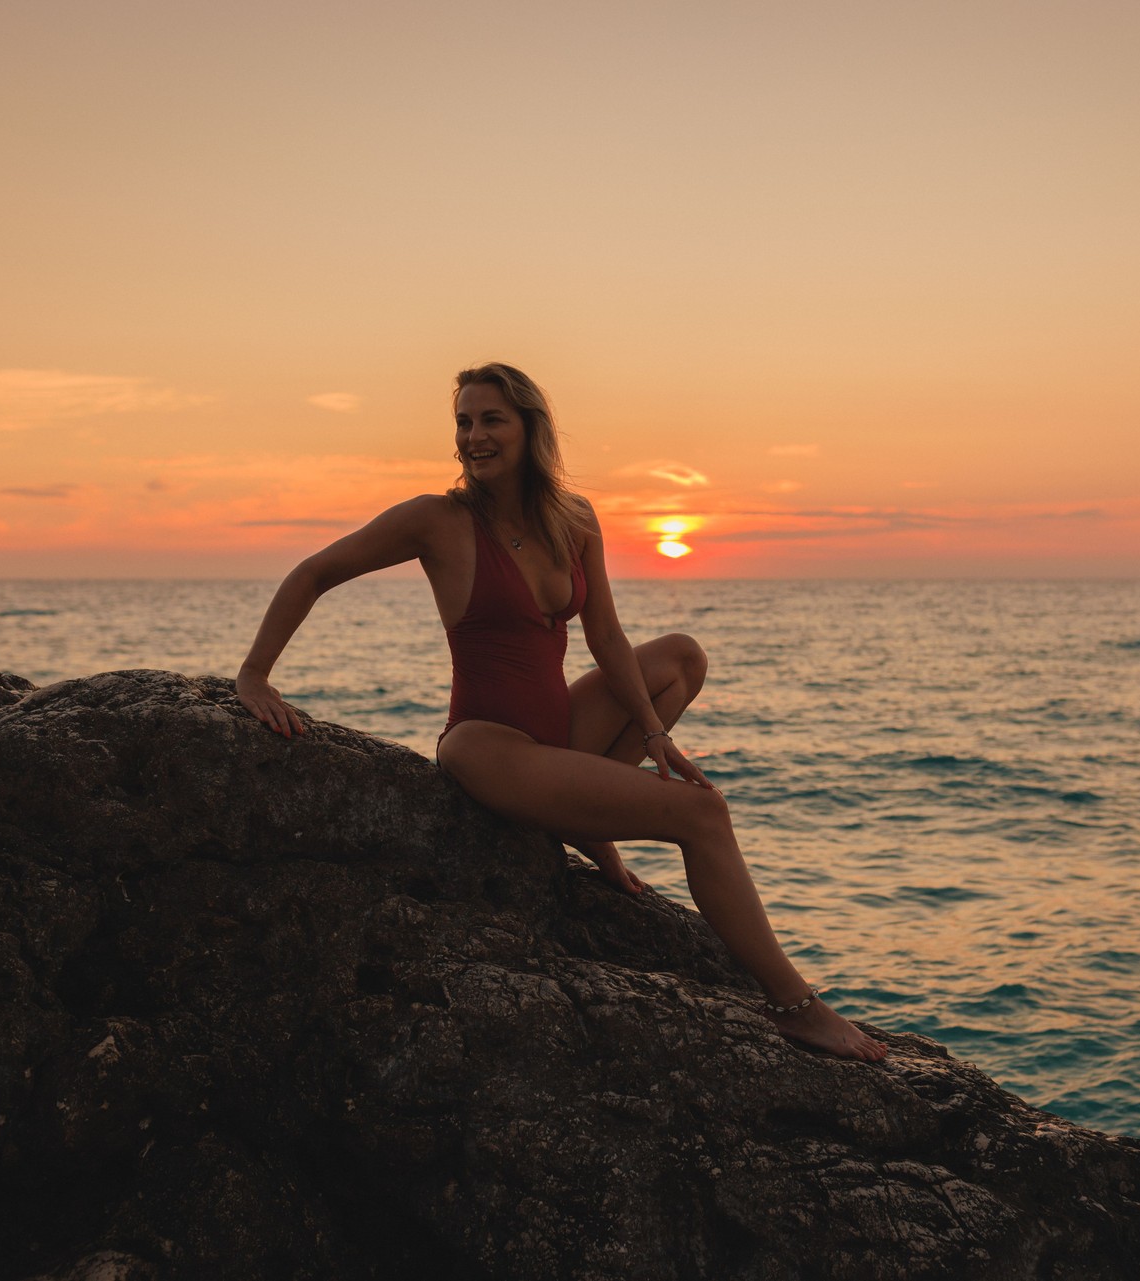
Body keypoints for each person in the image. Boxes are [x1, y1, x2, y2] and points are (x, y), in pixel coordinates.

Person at [235, 363, 886, 1062]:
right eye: (463, 422)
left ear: (530, 429)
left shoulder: (574, 519)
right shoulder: (440, 520)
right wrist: (255, 675)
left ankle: (585, 821)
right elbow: (314, 572)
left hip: (555, 735)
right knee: (703, 813)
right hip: (488, 744)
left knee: (681, 657)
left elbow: (605, 637)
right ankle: (795, 1005)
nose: (473, 436)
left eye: (491, 420)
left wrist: (656, 733)